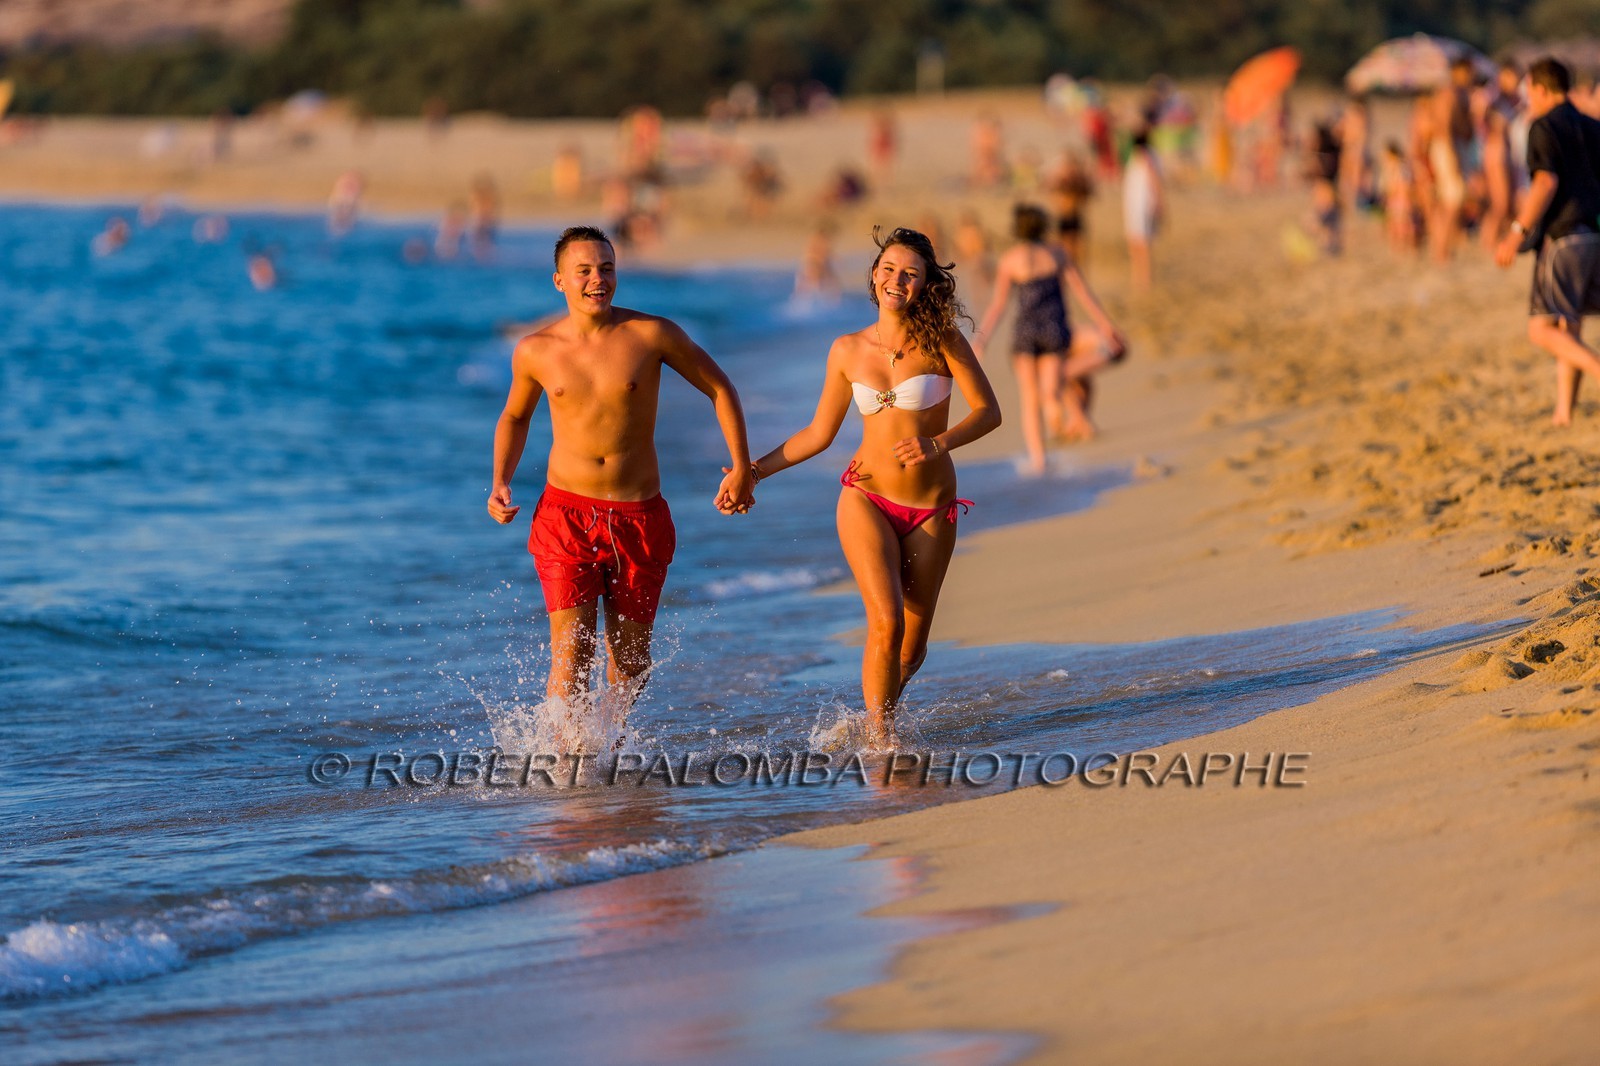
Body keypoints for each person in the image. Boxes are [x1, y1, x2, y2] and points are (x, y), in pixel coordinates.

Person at [489, 226, 755, 738]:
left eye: (606, 268)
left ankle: (605, 745)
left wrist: (742, 466)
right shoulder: (536, 350)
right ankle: (567, 763)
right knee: (571, 654)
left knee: (630, 663)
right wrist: (501, 479)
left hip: (639, 516)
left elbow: (720, 388)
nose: (598, 279)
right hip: (566, 516)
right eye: (584, 271)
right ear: (559, 281)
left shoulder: (652, 335)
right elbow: (515, 417)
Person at [748, 228, 1000, 747]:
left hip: (930, 507)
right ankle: (882, 744)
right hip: (866, 497)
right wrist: (752, 473)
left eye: (909, 273)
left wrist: (938, 443)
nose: (896, 280)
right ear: (873, 274)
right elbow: (818, 434)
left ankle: (876, 717)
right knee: (885, 622)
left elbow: (988, 412)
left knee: (911, 648)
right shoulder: (847, 349)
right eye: (888, 269)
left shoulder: (943, 340)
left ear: (925, 283)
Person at [975, 204, 1127, 469]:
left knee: (1029, 399)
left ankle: (1038, 460)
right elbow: (1082, 292)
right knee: (1050, 388)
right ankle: (1057, 412)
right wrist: (1106, 325)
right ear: (1043, 226)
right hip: (1053, 330)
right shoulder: (1057, 253)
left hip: (1025, 332)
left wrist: (981, 339)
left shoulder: (1011, 260)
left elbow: (998, 305)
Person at [1494, 58, 1600, 426]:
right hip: (1594, 235)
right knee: (1570, 325)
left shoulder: (1542, 126)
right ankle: (1563, 413)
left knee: (1541, 329)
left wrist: (1516, 232)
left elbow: (1544, 182)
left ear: (1540, 89)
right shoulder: (1593, 126)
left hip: (1563, 237)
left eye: (1529, 91)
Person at [1123, 128, 1163, 290]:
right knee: (1136, 242)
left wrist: (1159, 201)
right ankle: (1139, 278)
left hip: (1142, 205)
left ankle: (1144, 280)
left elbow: (1154, 179)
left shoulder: (1145, 156)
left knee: (1142, 242)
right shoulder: (1138, 156)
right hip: (1135, 204)